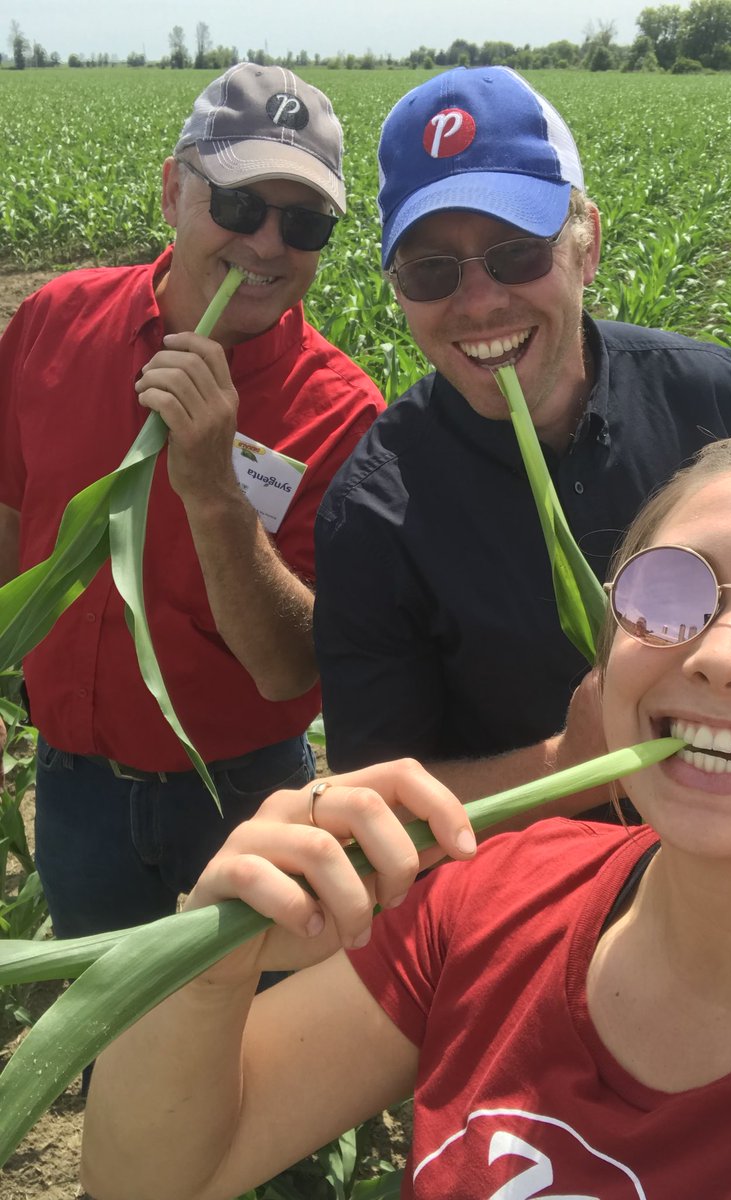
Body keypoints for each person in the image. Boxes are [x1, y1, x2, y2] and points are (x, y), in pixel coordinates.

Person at [81, 431, 731, 1199]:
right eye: (666, 591)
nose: (719, 656)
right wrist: (210, 967)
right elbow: (152, 1179)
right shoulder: (495, 899)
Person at [0, 63, 383, 943]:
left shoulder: (343, 411)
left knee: (251, 1047)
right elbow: (13, 519)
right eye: (241, 206)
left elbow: (291, 670)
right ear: (175, 189)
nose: (268, 244)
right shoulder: (55, 322)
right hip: (74, 784)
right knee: (109, 1028)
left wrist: (213, 489)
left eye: (306, 222)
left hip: (247, 797)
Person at [313, 66, 731, 800]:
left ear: (586, 247)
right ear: (397, 292)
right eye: (430, 271)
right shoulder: (374, 513)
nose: (480, 301)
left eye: (518, 252)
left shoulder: (707, 397)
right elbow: (376, 799)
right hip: (532, 895)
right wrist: (569, 764)